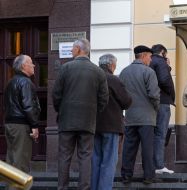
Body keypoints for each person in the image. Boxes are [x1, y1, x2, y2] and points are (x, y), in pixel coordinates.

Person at [52, 39, 109, 190]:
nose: (71, 51)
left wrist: (61, 110)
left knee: (64, 156)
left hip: (67, 121)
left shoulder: (65, 68)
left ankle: (62, 187)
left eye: (72, 48)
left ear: (78, 49)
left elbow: (56, 94)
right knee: (85, 157)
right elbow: (104, 98)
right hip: (88, 121)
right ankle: (83, 188)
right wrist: (94, 113)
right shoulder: (98, 72)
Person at [119, 45, 160, 184]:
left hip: (130, 117)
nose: (150, 60)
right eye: (149, 57)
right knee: (147, 148)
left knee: (129, 148)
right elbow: (154, 95)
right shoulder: (149, 72)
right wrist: (156, 109)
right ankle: (148, 176)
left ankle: (126, 175)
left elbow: (121, 95)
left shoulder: (124, 72)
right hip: (147, 117)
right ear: (143, 56)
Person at [91, 54, 132, 190]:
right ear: (110, 65)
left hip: (93, 125)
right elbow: (127, 101)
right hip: (111, 125)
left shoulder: (92, 78)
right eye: (114, 65)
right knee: (109, 161)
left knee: (96, 160)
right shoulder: (113, 79)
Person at [4, 55, 40, 173]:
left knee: (12, 160)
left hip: (10, 124)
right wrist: (34, 126)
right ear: (24, 66)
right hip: (21, 126)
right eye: (31, 63)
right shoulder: (25, 82)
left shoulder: (11, 82)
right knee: (21, 163)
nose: (33, 65)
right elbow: (28, 106)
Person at [150, 44, 175, 174]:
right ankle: (159, 165)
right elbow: (165, 80)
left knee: (153, 134)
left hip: (150, 103)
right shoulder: (160, 62)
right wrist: (171, 94)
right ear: (162, 52)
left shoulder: (148, 61)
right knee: (160, 134)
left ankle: (152, 165)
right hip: (163, 102)